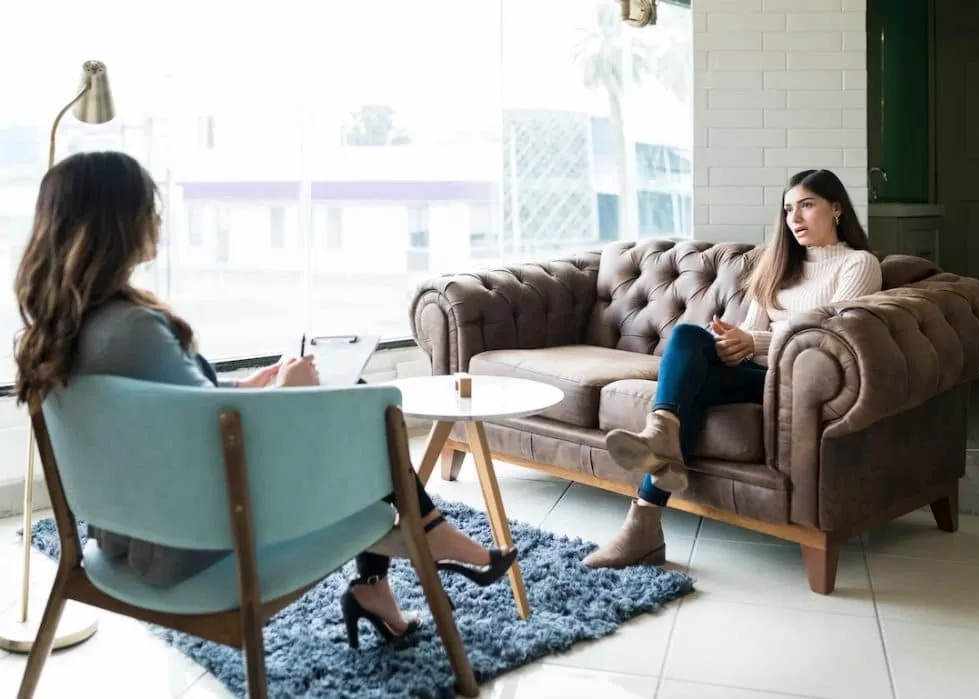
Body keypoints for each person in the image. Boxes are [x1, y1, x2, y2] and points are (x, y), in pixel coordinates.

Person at [12, 150, 517, 649]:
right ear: (117, 222)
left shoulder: (66, 332)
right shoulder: (134, 330)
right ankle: (427, 536)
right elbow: (210, 438)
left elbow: (166, 412)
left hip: (133, 534)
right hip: (198, 540)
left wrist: (249, 388)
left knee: (354, 408)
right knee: (367, 414)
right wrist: (285, 393)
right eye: (150, 206)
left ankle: (387, 576)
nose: (158, 218)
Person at [583, 169, 884, 569]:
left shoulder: (858, 264)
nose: (795, 218)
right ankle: (659, 447)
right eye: (788, 209)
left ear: (837, 209)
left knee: (686, 388)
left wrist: (753, 341)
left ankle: (644, 524)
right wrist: (729, 340)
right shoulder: (778, 265)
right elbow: (750, 333)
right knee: (688, 339)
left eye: (807, 206)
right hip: (751, 371)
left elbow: (829, 337)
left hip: (790, 383)